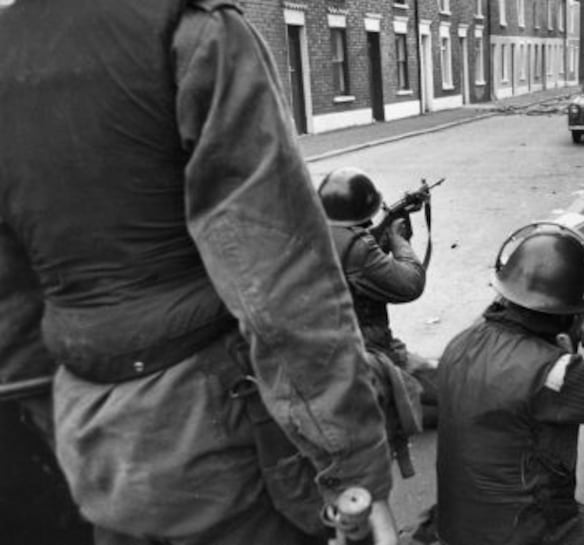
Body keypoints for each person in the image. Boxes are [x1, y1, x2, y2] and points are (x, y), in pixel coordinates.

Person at [0, 2, 396, 544]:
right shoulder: (192, 31)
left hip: (89, 437)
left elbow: (11, 306)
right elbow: (278, 283)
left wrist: (65, 433)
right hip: (211, 440)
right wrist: (352, 470)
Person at [434, 216, 584, 545]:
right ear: (568, 311)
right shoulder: (549, 371)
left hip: (458, 527)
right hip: (521, 534)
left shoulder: (460, 344)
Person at [317, 167, 434, 470]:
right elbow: (410, 284)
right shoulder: (358, 247)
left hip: (327, 345)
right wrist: (399, 241)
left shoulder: (316, 232)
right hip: (368, 353)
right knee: (449, 392)